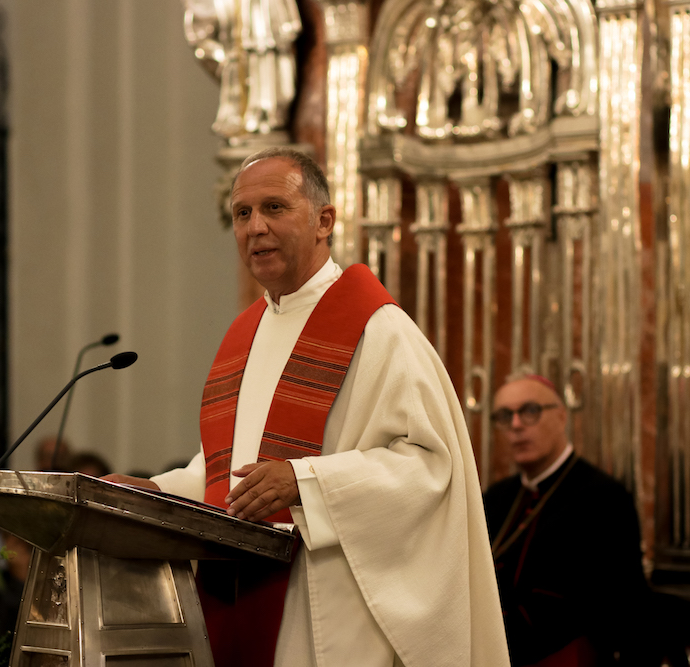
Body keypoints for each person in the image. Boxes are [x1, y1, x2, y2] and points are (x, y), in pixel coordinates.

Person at [104, 147, 509, 667]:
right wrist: (157, 493)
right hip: (242, 598)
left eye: (274, 208)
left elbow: (431, 468)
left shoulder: (378, 330)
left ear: (324, 221)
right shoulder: (244, 334)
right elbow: (227, 471)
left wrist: (306, 482)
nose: (255, 228)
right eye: (242, 214)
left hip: (327, 610)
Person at [483, 374, 650, 666]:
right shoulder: (496, 497)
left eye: (530, 411)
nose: (516, 425)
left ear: (561, 417)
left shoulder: (602, 497)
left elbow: (585, 605)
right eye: (505, 415)